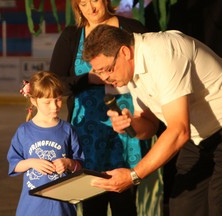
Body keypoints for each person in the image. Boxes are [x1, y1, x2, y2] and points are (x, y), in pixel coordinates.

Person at [82, 24, 222, 216]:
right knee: (184, 207)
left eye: (108, 69)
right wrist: (131, 124)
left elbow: (179, 131)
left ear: (124, 52)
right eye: (99, 72)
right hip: (198, 133)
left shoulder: (162, 53)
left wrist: (133, 176)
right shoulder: (131, 71)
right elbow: (149, 124)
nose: (105, 78)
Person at [49, 0, 163, 215]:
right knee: (93, 196)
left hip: (129, 124)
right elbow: (55, 84)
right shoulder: (72, 35)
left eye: (94, 1)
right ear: (77, 8)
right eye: (83, 4)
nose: (91, 8)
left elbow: (154, 67)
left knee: (124, 198)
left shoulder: (132, 28)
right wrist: (89, 79)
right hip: (89, 131)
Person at [7, 71, 84, 216]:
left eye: (58, 99)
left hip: (62, 207)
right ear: (34, 101)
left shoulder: (68, 129)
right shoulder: (24, 131)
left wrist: (68, 163)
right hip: (32, 207)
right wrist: (31, 162)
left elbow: (80, 166)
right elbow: (14, 165)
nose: (54, 106)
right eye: (47, 102)